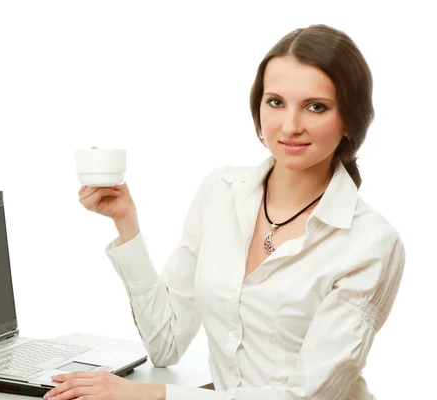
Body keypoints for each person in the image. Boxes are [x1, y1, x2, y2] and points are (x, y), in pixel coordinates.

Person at [44, 24, 405, 400]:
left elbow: (307, 397)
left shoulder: (370, 243)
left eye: (316, 106)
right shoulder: (221, 192)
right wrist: (125, 222)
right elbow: (165, 343)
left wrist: (155, 395)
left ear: (349, 118)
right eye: (276, 102)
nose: (290, 125)